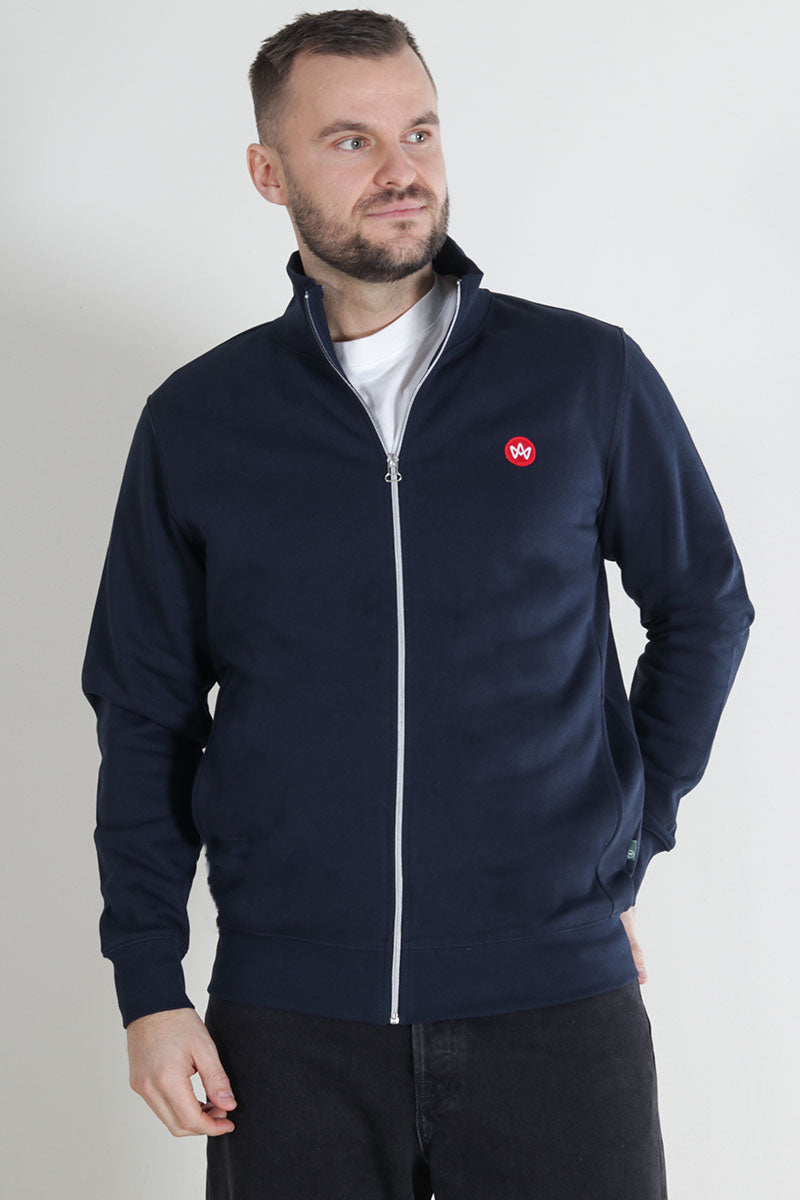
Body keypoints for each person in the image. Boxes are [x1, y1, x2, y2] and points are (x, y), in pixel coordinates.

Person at [80, 9, 755, 1199]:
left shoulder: (581, 376)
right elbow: (144, 714)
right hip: (290, 1022)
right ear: (268, 172)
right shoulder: (200, 421)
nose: (401, 170)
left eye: (420, 132)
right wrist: (150, 988)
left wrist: (624, 836)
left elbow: (703, 605)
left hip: (554, 1005)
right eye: (351, 141)